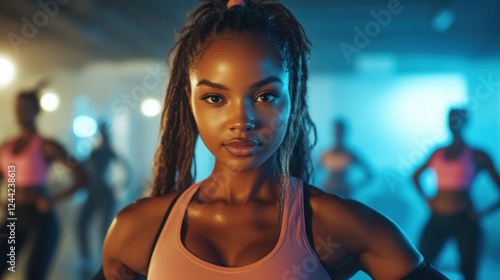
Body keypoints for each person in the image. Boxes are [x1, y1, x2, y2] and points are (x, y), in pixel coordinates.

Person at [100, 0, 447, 279]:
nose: (242, 121)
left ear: (292, 98)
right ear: (188, 101)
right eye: (215, 98)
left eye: (265, 96)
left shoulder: (339, 226)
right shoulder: (137, 228)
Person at [0, 89, 87, 280]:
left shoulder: (46, 145)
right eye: (17, 108)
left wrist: (53, 199)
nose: (20, 112)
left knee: (34, 274)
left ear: (36, 111)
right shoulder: (6, 147)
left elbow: (82, 176)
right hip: (14, 215)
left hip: (39, 217)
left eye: (25, 108)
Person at [412, 108, 500, 280]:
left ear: (466, 122)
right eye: (450, 119)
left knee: (469, 271)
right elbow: (415, 176)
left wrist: (483, 212)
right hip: (437, 218)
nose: (453, 123)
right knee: (419, 266)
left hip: (464, 219)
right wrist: (427, 199)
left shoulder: (477, 155)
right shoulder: (438, 153)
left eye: (457, 119)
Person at [78, 121, 131, 272]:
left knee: (104, 228)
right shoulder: (93, 152)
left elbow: (127, 171)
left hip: (104, 193)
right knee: (82, 224)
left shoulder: (109, 152)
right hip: (93, 192)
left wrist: (119, 185)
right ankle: (86, 257)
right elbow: (85, 169)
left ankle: (106, 260)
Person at [321, 119, 373, 198]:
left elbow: (370, 174)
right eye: (336, 131)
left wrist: (355, 187)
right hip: (328, 193)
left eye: (340, 131)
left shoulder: (351, 154)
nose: (338, 134)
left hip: (344, 194)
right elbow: (312, 172)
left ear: (345, 133)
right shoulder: (326, 154)